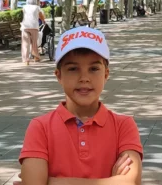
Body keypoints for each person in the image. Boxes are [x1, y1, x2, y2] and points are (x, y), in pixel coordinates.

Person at [18, 27, 143, 184]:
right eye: (73, 69)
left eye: (93, 69)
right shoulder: (40, 127)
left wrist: (52, 182)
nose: (84, 78)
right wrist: (111, 181)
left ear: (106, 74)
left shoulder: (124, 126)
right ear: (59, 75)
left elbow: (130, 182)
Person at [21, 0, 45, 65]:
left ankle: (26, 60)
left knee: (25, 44)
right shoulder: (37, 7)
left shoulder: (24, 7)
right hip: (34, 26)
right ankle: (36, 57)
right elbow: (41, 16)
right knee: (34, 43)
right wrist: (43, 21)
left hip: (25, 26)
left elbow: (23, 14)